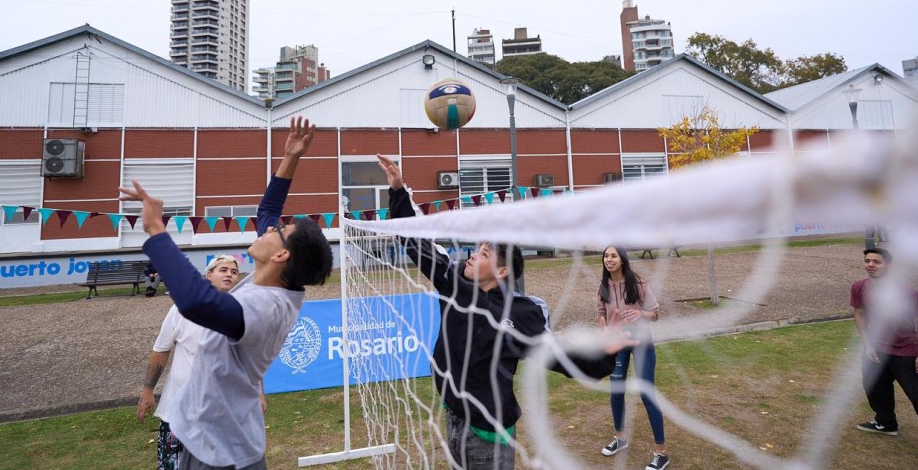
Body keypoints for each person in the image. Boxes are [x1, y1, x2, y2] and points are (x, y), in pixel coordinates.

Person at [376, 154, 636, 470]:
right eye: (476, 249)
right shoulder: (454, 282)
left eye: (484, 253)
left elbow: (559, 356)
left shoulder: (520, 314)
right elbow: (417, 244)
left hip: (488, 433)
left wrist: (604, 354)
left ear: (501, 272)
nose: (472, 256)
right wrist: (399, 191)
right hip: (453, 414)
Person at [120, 117, 334, 470]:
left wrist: (156, 230)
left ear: (281, 255)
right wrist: (291, 156)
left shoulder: (267, 306)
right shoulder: (272, 279)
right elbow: (267, 210)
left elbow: (195, 301)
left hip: (226, 457)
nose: (268, 228)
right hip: (208, 441)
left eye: (278, 231)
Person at [137, 254, 250, 470]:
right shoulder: (182, 309)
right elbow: (161, 351)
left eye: (234, 272)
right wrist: (147, 390)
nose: (229, 275)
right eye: (223, 270)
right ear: (209, 275)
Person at [851, 247, 918, 465]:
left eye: (877, 262)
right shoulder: (859, 287)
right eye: (867, 261)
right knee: (875, 388)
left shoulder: (906, 292)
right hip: (876, 350)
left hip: (906, 351)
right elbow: (859, 314)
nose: (870, 265)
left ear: (888, 266)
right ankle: (886, 423)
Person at [596, 246, 668, 470]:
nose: (609, 260)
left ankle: (661, 453)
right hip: (617, 345)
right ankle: (620, 438)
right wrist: (604, 328)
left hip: (641, 343)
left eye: (614, 256)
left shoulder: (638, 283)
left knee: (647, 394)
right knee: (616, 391)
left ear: (623, 260)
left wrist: (641, 314)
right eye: (606, 256)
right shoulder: (603, 286)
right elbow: (600, 313)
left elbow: (655, 314)